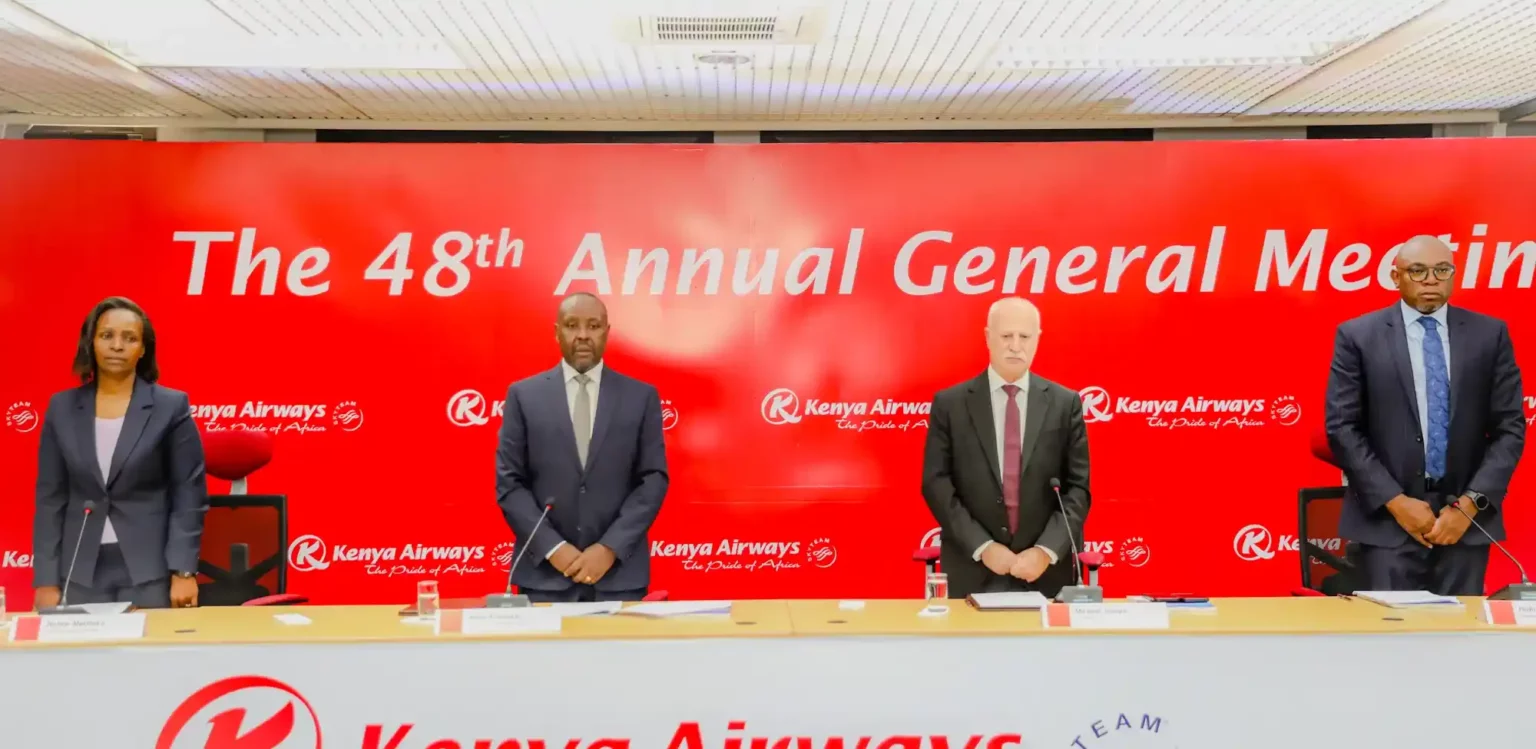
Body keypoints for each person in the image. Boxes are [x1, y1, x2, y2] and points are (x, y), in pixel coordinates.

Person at [1325, 235, 1525, 595]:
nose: (1430, 279)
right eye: (1417, 270)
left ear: (1453, 275)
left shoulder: (1489, 334)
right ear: (1395, 276)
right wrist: (1397, 503)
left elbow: (1510, 428)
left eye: (1441, 270)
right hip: (1388, 523)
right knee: (1393, 643)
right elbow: (1342, 427)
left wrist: (1469, 506)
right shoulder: (1358, 336)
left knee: (1461, 643)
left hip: (1465, 523)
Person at [33, 297, 208, 610]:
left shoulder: (170, 407)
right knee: (83, 659)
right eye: (106, 336)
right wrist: (46, 579)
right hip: (79, 570)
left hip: (148, 569)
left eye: (129, 338)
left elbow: (188, 494)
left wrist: (184, 570)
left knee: (149, 658)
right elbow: (50, 498)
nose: (117, 346)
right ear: (92, 343)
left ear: (142, 349)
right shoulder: (61, 408)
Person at [495, 292, 669, 602]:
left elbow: (653, 480)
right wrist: (553, 549)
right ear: (556, 332)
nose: (583, 335)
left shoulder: (640, 397)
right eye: (572, 325)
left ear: (607, 331)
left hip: (618, 577)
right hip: (546, 578)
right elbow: (510, 484)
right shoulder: (524, 396)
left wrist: (609, 548)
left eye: (594, 325)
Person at [921, 297, 1091, 599]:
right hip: (972, 569)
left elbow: (1078, 489)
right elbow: (937, 484)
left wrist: (1045, 551)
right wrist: (983, 547)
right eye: (1006, 336)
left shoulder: (1066, 404)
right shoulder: (951, 405)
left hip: (1046, 573)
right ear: (988, 337)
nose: (1015, 345)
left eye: (1024, 337)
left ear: (1037, 340)